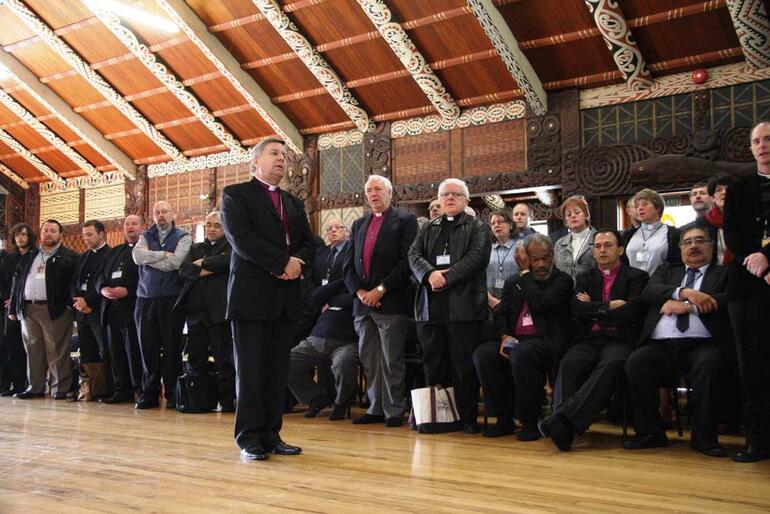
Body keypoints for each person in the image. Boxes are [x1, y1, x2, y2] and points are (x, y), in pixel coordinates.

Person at [221, 136, 316, 461]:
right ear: (255, 162)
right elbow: (241, 239)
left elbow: (308, 241)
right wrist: (281, 263)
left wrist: (297, 262)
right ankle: (249, 438)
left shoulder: (292, 202)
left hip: (285, 297)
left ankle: (272, 434)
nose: (282, 160)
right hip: (251, 297)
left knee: (276, 372)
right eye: (274, 153)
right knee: (250, 372)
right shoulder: (236, 195)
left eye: (285, 156)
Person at [624, 226, 729, 457]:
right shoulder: (667, 271)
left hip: (703, 344)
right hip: (662, 344)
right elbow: (650, 291)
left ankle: (703, 438)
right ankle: (650, 433)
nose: (694, 246)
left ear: (711, 246)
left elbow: (726, 299)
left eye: (700, 240)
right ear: (680, 248)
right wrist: (685, 293)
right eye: (688, 242)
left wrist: (687, 307)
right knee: (636, 362)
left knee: (710, 364)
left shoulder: (722, 274)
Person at [540, 229, 648, 451]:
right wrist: (608, 306)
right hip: (590, 338)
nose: (601, 250)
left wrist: (593, 307)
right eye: (597, 246)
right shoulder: (585, 277)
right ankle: (564, 425)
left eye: (607, 245)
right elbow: (576, 309)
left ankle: (562, 422)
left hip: (619, 339)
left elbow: (632, 312)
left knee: (610, 365)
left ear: (620, 249)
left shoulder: (637, 277)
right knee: (569, 363)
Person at [409, 178, 492, 433]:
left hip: (464, 308)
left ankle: (466, 417)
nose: (449, 198)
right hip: (430, 308)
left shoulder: (478, 227)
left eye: (456, 194)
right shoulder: (429, 227)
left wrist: (444, 277)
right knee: (434, 364)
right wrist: (429, 274)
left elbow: (476, 259)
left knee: (463, 366)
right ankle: (438, 417)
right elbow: (413, 255)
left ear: (466, 200)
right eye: (445, 195)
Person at [473, 234, 573, 439]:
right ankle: (503, 418)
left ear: (552, 257)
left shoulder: (562, 280)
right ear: (526, 259)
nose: (541, 264)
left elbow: (540, 303)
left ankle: (529, 420)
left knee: (523, 353)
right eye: (534, 260)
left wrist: (526, 273)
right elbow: (501, 313)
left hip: (547, 341)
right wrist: (503, 336)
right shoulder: (513, 283)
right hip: (517, 339)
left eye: (545, 258)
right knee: (484, 354)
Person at [345, 174, 417, 427]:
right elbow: (348, 265)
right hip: (363, 305)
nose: (373, 194)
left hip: (391, 301)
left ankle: (394, 410)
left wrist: (381, 289)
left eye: (378, 189)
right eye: (369, 190)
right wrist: (360, 293)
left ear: (389, 192)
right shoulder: (358, 224)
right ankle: (375, 407)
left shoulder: (406, 221)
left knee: (391, 360)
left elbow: (406, 261)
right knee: (370, 360)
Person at [724, 120, 770, 462]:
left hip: (764, 267)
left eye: (768, 139)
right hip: (747, 286)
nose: (762, 145)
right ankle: (759, 440)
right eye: (757, 141)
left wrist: (768, 258)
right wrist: (756, 263)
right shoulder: (739, 188)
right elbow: (733, 234)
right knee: (752, 366)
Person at [287, 222, 357, 421]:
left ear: (347, 232)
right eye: (330, 229)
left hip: (346, 335)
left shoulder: (352, 253)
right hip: (319, 328)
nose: (333, 231)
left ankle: (341, 403)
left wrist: (330, 294)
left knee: (343, 364)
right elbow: (314, 290)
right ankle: (316, 398)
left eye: (339, 228)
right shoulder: (321, 253)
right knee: (286, 362)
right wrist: (329, 293)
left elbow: (354, 291)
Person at [9, 219, 77, 399]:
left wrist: (70, 306)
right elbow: (17, 281)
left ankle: (60, 388)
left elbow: (73, 284)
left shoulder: (69, 256)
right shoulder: (30, 255)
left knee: (56, 350)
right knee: (33, 349)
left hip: (54, 309)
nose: (48, 233)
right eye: (45, 230)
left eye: (53, 230)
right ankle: (35, 387)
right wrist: (13, 309)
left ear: (60, 235)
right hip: (28, 308)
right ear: (40, 233)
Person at [133, 201, 191, 409]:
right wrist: (162, 254)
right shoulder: (145, 236)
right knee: (147, 348)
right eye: (157, 212)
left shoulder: (183, 237)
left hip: (171, 299)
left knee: (171, 348)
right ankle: (149, 394)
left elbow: (175, 263)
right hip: (145, 299)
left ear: (172, 214)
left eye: (165, 212)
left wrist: (150, 259)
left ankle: (173, 394)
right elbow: (137, 256)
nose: (161, 216)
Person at [175, 211, 234, 411]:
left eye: (216, 225)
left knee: (223, 359)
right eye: (208, 225)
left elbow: (228, 263)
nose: (211, 229)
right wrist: (210, 267)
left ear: (225, 228)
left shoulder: (231, 247)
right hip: (196, 312)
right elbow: (184, 270)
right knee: (195, 358)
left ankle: (227, 402)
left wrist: (201, 265)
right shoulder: (196, 248)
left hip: (219, 312)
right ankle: (197, 401)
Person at [96, 214, 142, 404]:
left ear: (142, 227)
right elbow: (100, 275)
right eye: (127, 224)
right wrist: (103, 289)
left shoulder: (145, 250)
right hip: (111, 310)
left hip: (133, 309)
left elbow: (147, 279)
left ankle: (139, 390)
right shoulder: (114, 252)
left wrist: (128, 290)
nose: (130, 227)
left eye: (134, 224)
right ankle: (121, 389)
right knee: (115, 352)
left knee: (134, 351)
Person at [72, 219, 111, 401]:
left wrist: (88, 302)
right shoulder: (82, 257)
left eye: (90, 235)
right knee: (87, 351)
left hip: (99, 311)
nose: (86, 239)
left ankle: (107, 389)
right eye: (84, 235)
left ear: (101, 234)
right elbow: (74, 283)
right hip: (82, 312)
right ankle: (91, 390)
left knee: (105, 350)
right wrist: (78, 301)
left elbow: (104, 284)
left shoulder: (111, 255)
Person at [0, 224, 33, 397]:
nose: (20, 238)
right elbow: (4, 281)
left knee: (28, 347)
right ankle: (14, 384)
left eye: (24, 235)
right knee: (11, 346)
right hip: (9, 308)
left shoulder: (35, 257)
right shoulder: (8, 259)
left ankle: (26, 384)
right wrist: (8, 298)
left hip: (29, 307)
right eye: (18, 235)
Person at [623, 188, 681, 275]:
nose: (640, 208)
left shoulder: (673, 234)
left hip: (660, 284)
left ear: (657, 208)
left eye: (644, 204)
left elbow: (676, 265)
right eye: (637, 206)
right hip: (633, 285)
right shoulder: (628, 234)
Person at [553, 196, 596, 281]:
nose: (573, 216)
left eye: (577, 212)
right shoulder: (559, 244)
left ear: (586, 215)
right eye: (568, 214)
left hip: (590, 292)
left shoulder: (597, 239)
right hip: (564, 291)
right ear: (565, 220)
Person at [695, 174, 735, 266]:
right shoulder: (703, 222)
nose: (724, 192)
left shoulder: (747, 217)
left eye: (728, 189)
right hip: (715, 273)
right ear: (712, 198)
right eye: (718, 190)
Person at [487, 209, 520, 310]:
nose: (496, 225)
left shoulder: (521, 246)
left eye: (500, 222)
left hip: (516, 301)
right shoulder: (486, 249)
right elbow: (479, 278)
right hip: (490, 303)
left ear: (510, 225)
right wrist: (491, 300)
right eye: (493, 223)